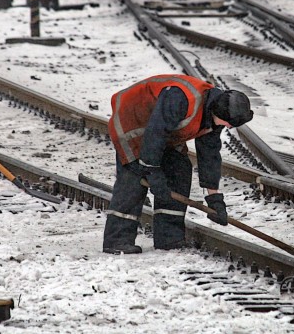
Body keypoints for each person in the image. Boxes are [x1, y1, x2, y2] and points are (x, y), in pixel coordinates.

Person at [103, 74, 254, 254]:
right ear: (217, 113)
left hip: (163, 133)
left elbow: (210, 154)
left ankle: (169, 238)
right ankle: (117, 241)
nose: (228, 127)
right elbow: (155, 133)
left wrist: (214, 197)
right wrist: (152, 172)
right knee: (134, 178)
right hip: (133, 122)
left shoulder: (215, 113)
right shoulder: (180, 98)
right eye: (228, 124)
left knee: (179, 170)